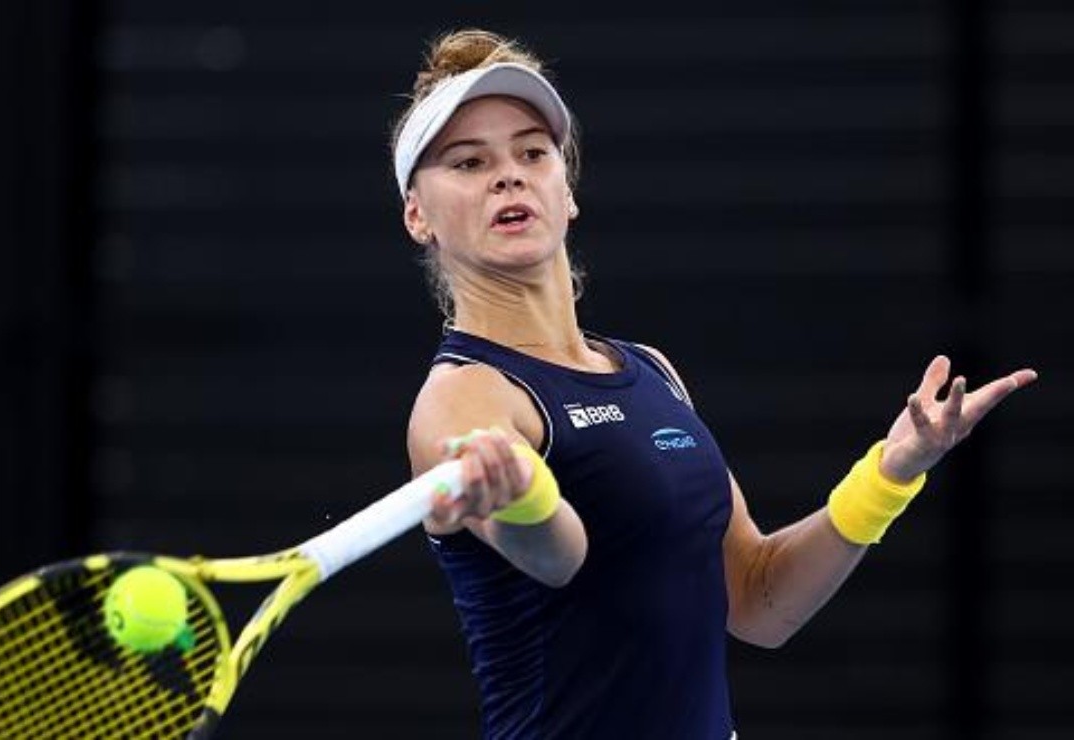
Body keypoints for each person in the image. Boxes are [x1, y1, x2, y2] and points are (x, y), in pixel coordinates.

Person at [393, 28, 1037, 739]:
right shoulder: (463, 399)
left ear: (566, 192)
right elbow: (557, 555)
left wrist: (891, 472)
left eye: (532, 152)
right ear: (418, 214)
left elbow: (758, 599)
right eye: (469, 161)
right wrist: (523, 497)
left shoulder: (651, 370)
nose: (508, 176)